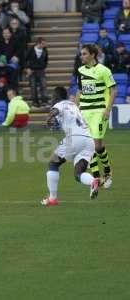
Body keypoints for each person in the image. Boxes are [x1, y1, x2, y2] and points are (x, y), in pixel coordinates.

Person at [41, 87, 100, 207]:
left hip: (74, 138)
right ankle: (93, 181)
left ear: (57, 96)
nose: (52, 98)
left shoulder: (59, 104)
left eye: (53, 96)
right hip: (89, 140)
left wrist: (49, 117)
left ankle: (52, 199)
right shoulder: (73, 105)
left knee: (53, 163)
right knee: (79, 173)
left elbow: (56, 111)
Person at [76, 44, 117, 188]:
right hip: (85, 112)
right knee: (89, 145)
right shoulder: (80, 70)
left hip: (99, 112)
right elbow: (80, 91)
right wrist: (77, 109)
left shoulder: (104, 71)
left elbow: (113, 90)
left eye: (85, 54)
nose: (82, 56)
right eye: (81, 54)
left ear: (93, 55)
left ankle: (107, 170)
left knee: (97, 145)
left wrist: (108, 109)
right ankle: (96, 176)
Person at [25, 37, 49, 106]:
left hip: (41, 70)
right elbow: (25, 59)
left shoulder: (45, 50)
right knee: (33, 86)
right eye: (43, 44)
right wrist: (27, 68)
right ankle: (35, 102)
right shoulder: (31, 49)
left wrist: (44, 67)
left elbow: (46, 60)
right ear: (39, 43)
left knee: (43, 86)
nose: (44, 45)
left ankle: (44, 101)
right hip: (32, 70)